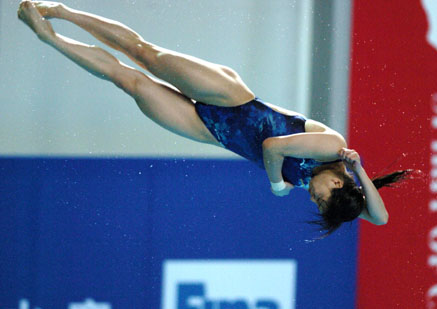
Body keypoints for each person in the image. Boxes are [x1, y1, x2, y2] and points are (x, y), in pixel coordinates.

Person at [17, 1, 412, 236]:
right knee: (145, 54)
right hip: (232, 99)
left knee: (130, 83)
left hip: (211, 132)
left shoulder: (332, 184)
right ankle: (62, 11)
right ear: (338, 179)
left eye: (316, 200)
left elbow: (378, 218)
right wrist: (278, 182)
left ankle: (50, 38)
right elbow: (273, 146)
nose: (312, 195)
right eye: (321, 193)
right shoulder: (332, 146)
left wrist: (358, 177)